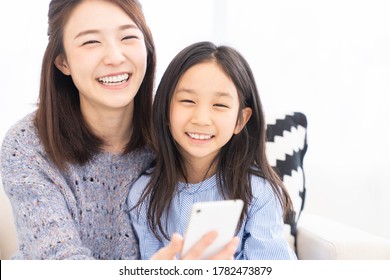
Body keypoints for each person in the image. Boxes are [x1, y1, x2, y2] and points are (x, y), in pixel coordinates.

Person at [0, 0, 238, 260]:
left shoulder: (180, 128)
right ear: (62, 61)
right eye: (91, 42)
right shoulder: (27, 146)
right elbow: (58, 262)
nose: (114, 57)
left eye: (128, 37)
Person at [128, 41, 298, 260]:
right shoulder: (143, 194)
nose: (201, 119)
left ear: (241, 120)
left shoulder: (258, 192)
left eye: (220, 105)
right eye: (188, 100)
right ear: (166, 109)